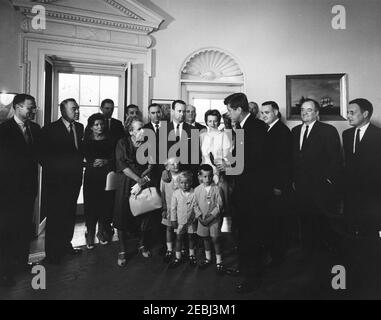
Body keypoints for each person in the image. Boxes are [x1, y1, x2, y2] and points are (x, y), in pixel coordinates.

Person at [224, 92, 267, 293]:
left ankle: (253, 277)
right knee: (243, 233)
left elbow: (255, 162)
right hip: (243, 191)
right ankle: (244, 268)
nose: (228, 114)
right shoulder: (243, 127)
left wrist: (229, 167)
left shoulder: (256, 128)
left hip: (253, 193)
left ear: (239, 110)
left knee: (252, 235)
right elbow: (240, 158)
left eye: (229, 110)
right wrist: (228, 164)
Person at [291, 98, 342, 258]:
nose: (305, 113)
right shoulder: (295, 131)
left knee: (323, 221)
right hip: (300, 187)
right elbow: (294, 159)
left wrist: (328, 181)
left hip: (321, 187)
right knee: (304, 221)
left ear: (317, 113)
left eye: (309, 110)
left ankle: (325, 256)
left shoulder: (328, 130)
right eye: (302, 110)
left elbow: (336, 159)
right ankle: (307, 252)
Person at [0, 94, 41, 287]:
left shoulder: (35, 129)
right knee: (7, 230)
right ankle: (5, 271)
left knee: (25, 226)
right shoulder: (4, 130)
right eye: (29, 107)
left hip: (28, 188)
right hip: (8, 190)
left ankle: (22, 263)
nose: (33, 111)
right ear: (17, 107)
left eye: (33, 108)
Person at [40, 98, 84, 265]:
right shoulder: (50, 129)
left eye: (78, 108)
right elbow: (43, 156)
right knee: (55, 217)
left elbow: (78, 153)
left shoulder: (79, 128)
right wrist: (59, 170)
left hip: (74, 181)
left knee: (69, 214)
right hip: (56, 183)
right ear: (63, 111)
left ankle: (66, 245)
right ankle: (52, 254)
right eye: (74, 109)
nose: (77, 111)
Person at [113, 116, 155, 267]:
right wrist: (137, 180)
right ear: (130, 131)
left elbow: (151, 165)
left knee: (144, 216)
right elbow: (122, 165)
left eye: (143, 127)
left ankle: (142, 244)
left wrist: (143, 181)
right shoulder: (122, 143)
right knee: (122, 216)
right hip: (126, 182)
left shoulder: (148, 143)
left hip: (144, 181)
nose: (143, 130)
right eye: (139, 128)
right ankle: (122, 250)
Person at [260, 101, 292, 267]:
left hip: (277, 186)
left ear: (276, 112)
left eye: (267, 112)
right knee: (270, 220)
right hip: (267, 184)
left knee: (278, 221)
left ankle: (278, 257)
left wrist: (279, 185)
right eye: (262, 113)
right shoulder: (267, 129)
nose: (264, 115)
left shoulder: (282, 131)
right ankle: (273, 253)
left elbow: (284, 163)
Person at [343, 98, 381, 237]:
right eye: (348, 112)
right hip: (350, 195)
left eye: (352, 112)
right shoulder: (346, 135)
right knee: (351, 231)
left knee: (370, 233)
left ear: (365, 114)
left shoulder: (378, 135)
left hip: (372, 196)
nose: (348, 116)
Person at [83, 113, 115, 249]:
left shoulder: (110, 140)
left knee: (105, 205)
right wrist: (90, 163)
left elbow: (115, 159)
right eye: (96, 125)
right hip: (91, 176)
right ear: (91, 127)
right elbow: (81, 159)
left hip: (106, 176)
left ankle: (101, 233)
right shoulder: (85, 141)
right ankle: (90, 234)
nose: (100, 127)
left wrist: (106, 161)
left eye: (101, 124)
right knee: (91, 205)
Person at [200, 109, 233, 215]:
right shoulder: (202, 136)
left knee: (220, 202)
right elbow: (202, 156)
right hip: (205, 173)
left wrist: (219, 171)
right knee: (205, 202)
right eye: (209, 121)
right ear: (206, 122)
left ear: (219, 122)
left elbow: (228, 155)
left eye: (215, 121)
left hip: (220, 173)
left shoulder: (224, 135)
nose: (212, 123)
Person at [194, 164, 225, 274]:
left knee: (215, 239)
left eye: (210, 176)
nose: (207, 179)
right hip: (202, 220)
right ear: (200, 176)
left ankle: (219, 261)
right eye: (205, 176)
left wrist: (211, 217)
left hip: (214, 220)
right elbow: (195, 205)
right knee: (206, 239)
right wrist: (199, 217)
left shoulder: (217, 189)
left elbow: (219, 205)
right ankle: (208, 258)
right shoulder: (197, 190)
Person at [169, 171, 197, 268]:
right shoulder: (176, 193)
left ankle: (192, 255)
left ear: (191, 182)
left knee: (191, 238)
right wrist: (173, 220)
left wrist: (196, 217)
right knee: (178, 239)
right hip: (180, 221)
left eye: (187, 183)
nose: (184, 185)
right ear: (179, 183)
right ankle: (178, 257)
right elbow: (173, 208)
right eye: (182, 183)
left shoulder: (194, 192)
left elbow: (196, 207)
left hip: (191, 221)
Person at [160, 157, 181, 263]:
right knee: (168, 228)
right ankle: (169, 249)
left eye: (177, 163)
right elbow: (162, 193)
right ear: (167, 167)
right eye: (173, 164)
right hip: (168, 207)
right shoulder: (164, 178)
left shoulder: (183, 176)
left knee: (179, 230)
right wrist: (164, 208)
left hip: (180, 208)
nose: (176, 165)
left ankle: (179, 249)